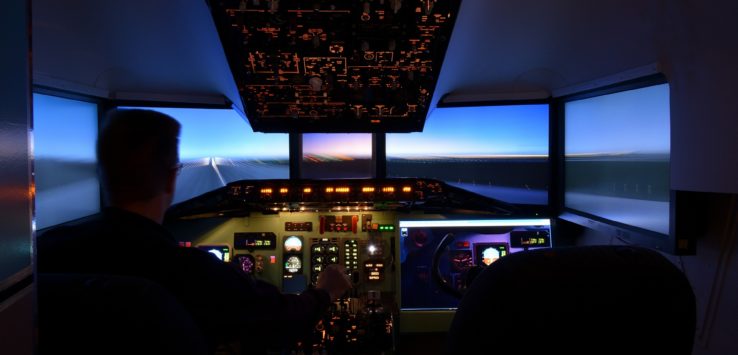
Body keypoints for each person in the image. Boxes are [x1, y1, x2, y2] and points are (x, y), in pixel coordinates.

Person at [37, 108, 352, 353]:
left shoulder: (45, 252)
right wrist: (325, 291)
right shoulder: (191, 272)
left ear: (104, 174)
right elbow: (282, 321)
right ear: (171, 179)